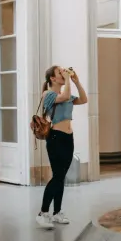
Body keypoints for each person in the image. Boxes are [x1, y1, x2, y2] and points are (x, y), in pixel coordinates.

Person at [36, 65, 87, 229]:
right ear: (52, 78)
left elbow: (84, 99)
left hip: (68, 138)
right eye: (60, 72)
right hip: (56, 138)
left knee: (61, 177)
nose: (63, 73)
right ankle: (43, 213)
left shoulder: (67, 94)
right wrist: (67, 80)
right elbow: (64, 96)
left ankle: (57, 212)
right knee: (58, 176)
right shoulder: (48, 94)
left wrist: (76, 81)